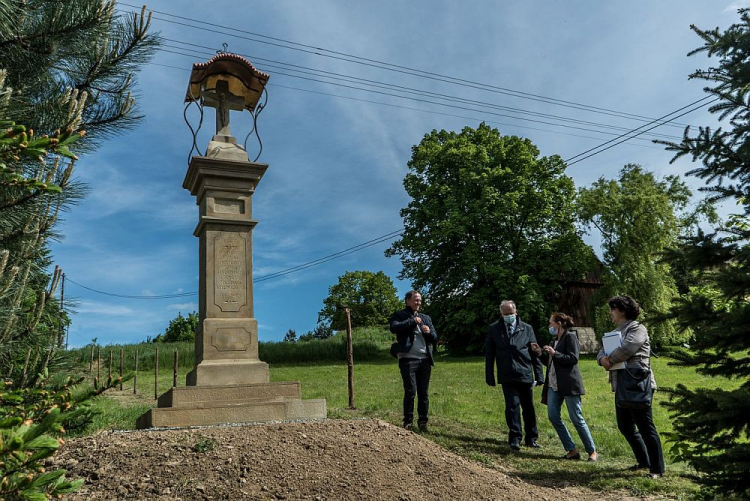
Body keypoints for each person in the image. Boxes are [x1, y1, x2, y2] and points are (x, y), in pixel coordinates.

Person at [597, 295, 664, 478]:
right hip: (622, 385)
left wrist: (609, 359)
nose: (610, 313)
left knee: (646, 427)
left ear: (622, 310)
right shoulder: (614, 331)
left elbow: (628, 348)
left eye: (613, 309)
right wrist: (602, 359)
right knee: (625, 426)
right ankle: (643, 462)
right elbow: (602, 350)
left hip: (637, 384)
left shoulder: (638, 328)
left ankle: (657, 469)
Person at [531, 312, 597, 461]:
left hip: (569, 384)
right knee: (553, 416)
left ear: (558, 323)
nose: (549, 326)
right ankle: (571, 450)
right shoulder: (554, 340)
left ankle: (592, 451)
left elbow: (573, 359)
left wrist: (555, 354)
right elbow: (550, 363)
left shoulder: (570, 337)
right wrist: (540, 353)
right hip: (553, 385)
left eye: (551, 323)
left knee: (576, 418)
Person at [485, 300, 544, 451]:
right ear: (501, 314)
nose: (509, 316)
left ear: (516, 312)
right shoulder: (494, 329)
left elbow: (535, 352)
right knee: (512, 407)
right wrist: (489, 376)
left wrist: (539, 375)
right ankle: (515, 438)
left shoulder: (527, 328)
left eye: (511, 313)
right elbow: (490, 354)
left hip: (524, 372)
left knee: (528, 407)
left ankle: (531, 438)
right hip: (506, 374)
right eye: (506, 314)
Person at [389, 290, 438, 432]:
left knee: (424, 393)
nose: (419, 303)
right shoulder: (400, 315)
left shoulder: (426, 318)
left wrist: (428, 332)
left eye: (420, 300)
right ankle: (408, 422)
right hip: (408, 359)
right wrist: (411, 321)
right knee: (410, 391)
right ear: (408, 300)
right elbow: (394, 327)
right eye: (416, 300)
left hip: (425, 360)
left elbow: (434, 338)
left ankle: (423, 422)